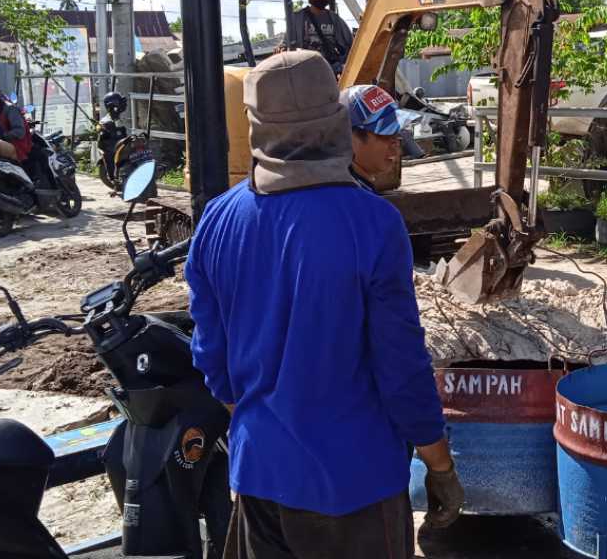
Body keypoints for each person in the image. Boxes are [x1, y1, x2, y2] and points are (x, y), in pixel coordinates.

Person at [187, 50, 462, 559]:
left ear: (254, 125)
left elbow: (211, 358)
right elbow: (401, 367)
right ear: (337, 123)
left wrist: (263, 424)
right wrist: (439, 464)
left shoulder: (217, 221)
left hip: (260, 478)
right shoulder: (374, 224)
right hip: (355, 486)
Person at [339, 84, 402, 192]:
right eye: (385, 133)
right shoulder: (355, 200)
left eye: (397, 131)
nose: (395, 143)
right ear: (350, 138)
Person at [285, 0, 354, 75]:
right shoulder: (298, 19)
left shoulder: (334, 19)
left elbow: (351, 45)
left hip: (330, 70)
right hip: (305, 70)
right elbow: (287, 45)